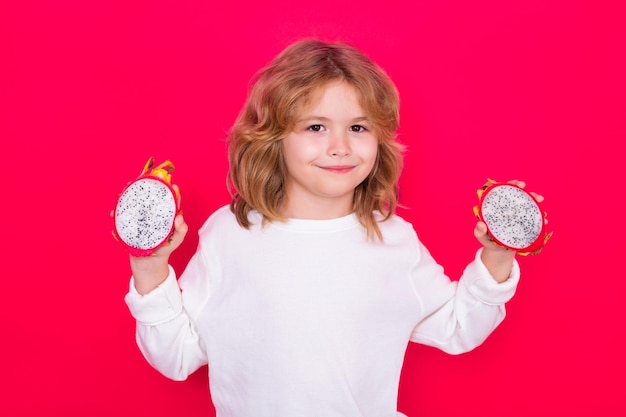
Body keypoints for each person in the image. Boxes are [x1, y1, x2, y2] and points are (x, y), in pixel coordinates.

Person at [124, 38, 539, 416]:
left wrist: (498, 253)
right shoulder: (229, 235)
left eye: (358, 128)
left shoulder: (393, 239)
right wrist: (149, 268)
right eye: (316, 127)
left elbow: (457, 327)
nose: (340, 146)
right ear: (273, 138)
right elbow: (177, 355)